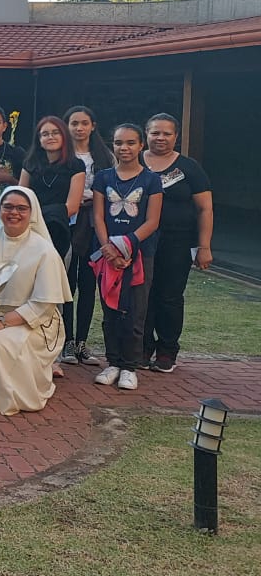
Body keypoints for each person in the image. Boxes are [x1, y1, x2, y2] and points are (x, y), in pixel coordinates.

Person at [0, 186, 69, 415]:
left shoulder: (44, 251)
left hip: (30, 321)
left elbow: (42, 305)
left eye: (21, 208)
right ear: (0, 208)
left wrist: (1, 323)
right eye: (8, 207)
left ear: (32, 213)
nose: (14, 213)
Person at [92, 123, 163, 391]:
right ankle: (113, 362)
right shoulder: (104, 177)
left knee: (135, 311)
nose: (124, 148)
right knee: (110, 310)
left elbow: (152, 220)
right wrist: (108, 248)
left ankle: (130, 367)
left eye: (131, 143)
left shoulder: (151, 180)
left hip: (140, 254)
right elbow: (98, 216)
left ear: (141, 145)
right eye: (119, 143)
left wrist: (127, 245)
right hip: (108, 255)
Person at [141, 112, 212, 373]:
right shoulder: (134, 161)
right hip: (141, 242)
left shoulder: (189, 168)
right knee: (142, 295)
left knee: (169, 296)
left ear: (176, 136)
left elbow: (205, 209)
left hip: (177, 242)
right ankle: (142, 347)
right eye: (155, 132)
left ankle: (166, 351)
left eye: (166, 133)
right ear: (146, 134)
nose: (160, 138)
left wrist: (203, 246)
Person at [60, 105, 111, 366]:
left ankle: (82, 341)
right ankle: (66, 341)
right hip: (68, 224)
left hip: (94, 225)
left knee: (89, 284)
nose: (79, 128)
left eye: (84, 123)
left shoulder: (104, 157)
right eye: (74, 123)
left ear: (93, 126)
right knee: (67, 284)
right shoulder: (62, 156)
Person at [19, 116, 85, 260]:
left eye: (56, 133)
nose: (51, 137)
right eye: (45, 134)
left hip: (58, 227)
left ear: (64, 136)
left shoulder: (76, 165)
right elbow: (20, 197)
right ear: (39, 140)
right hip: (30, 227)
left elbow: (72, 206)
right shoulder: (30, 164)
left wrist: (41, 217)